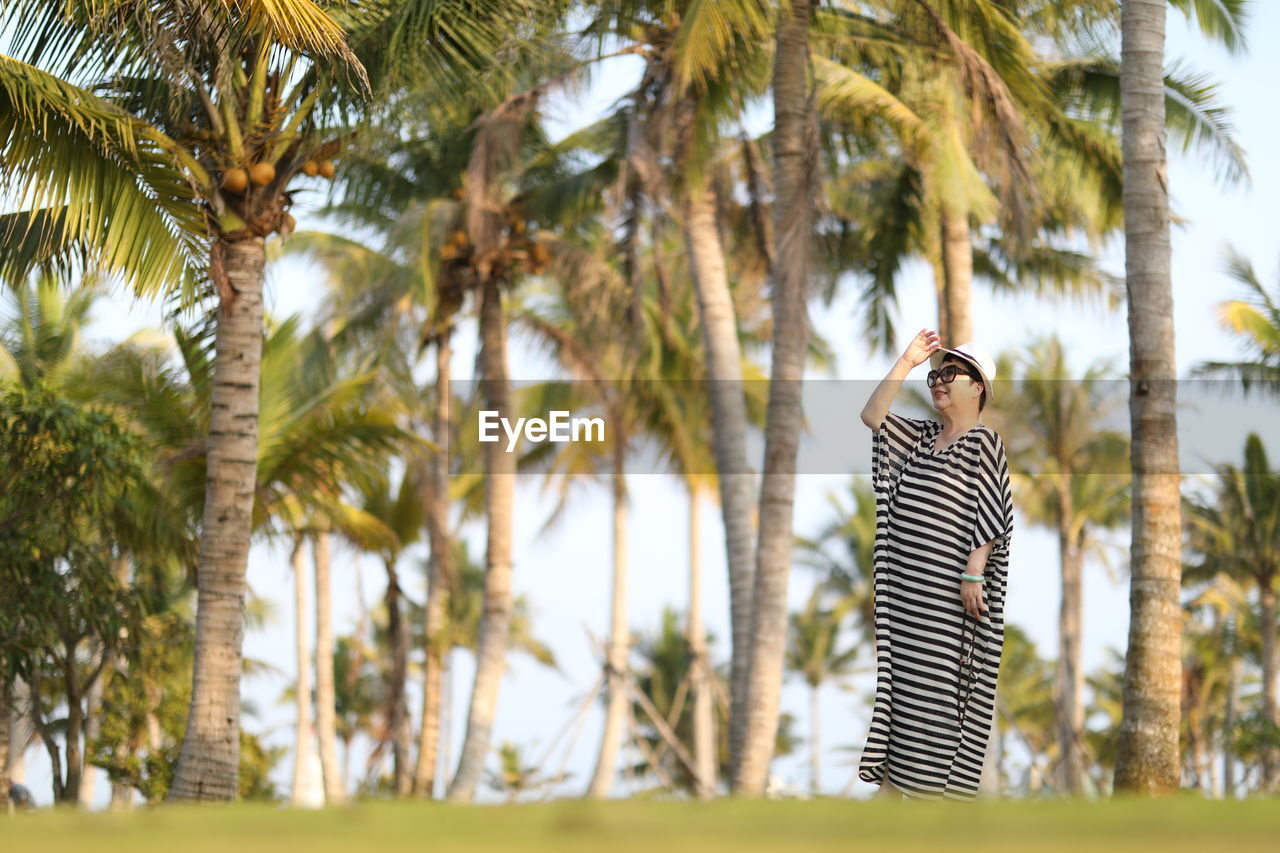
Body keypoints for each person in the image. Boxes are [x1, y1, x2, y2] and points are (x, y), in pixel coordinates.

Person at [854, 327, 1013, 801]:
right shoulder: (919, 438)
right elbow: (872, 414)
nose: (938, 380)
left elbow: (993, 508)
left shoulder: (985, 442)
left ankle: (929, 815)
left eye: (951, 373)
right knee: (898, 706)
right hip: (907, 609)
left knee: (937, 713)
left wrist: (973, 570)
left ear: (977, 385)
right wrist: (906, 361)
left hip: (948, 611)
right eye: (935, 375)